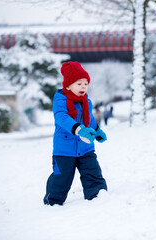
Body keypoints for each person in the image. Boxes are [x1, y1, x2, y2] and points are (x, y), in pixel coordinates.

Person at [43, 61, 108, 206]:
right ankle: (52, 202)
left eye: (86, 83)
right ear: (68, 85)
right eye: (79, 84)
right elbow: (62, 118)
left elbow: (89, 119)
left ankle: (97, 195)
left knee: (92, 171)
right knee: (62, 178)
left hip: (85, 148)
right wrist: (79, 129)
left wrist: (97, 131)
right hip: (64, 150)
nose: (83, 86)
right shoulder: (60, 100)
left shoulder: (86, 102)